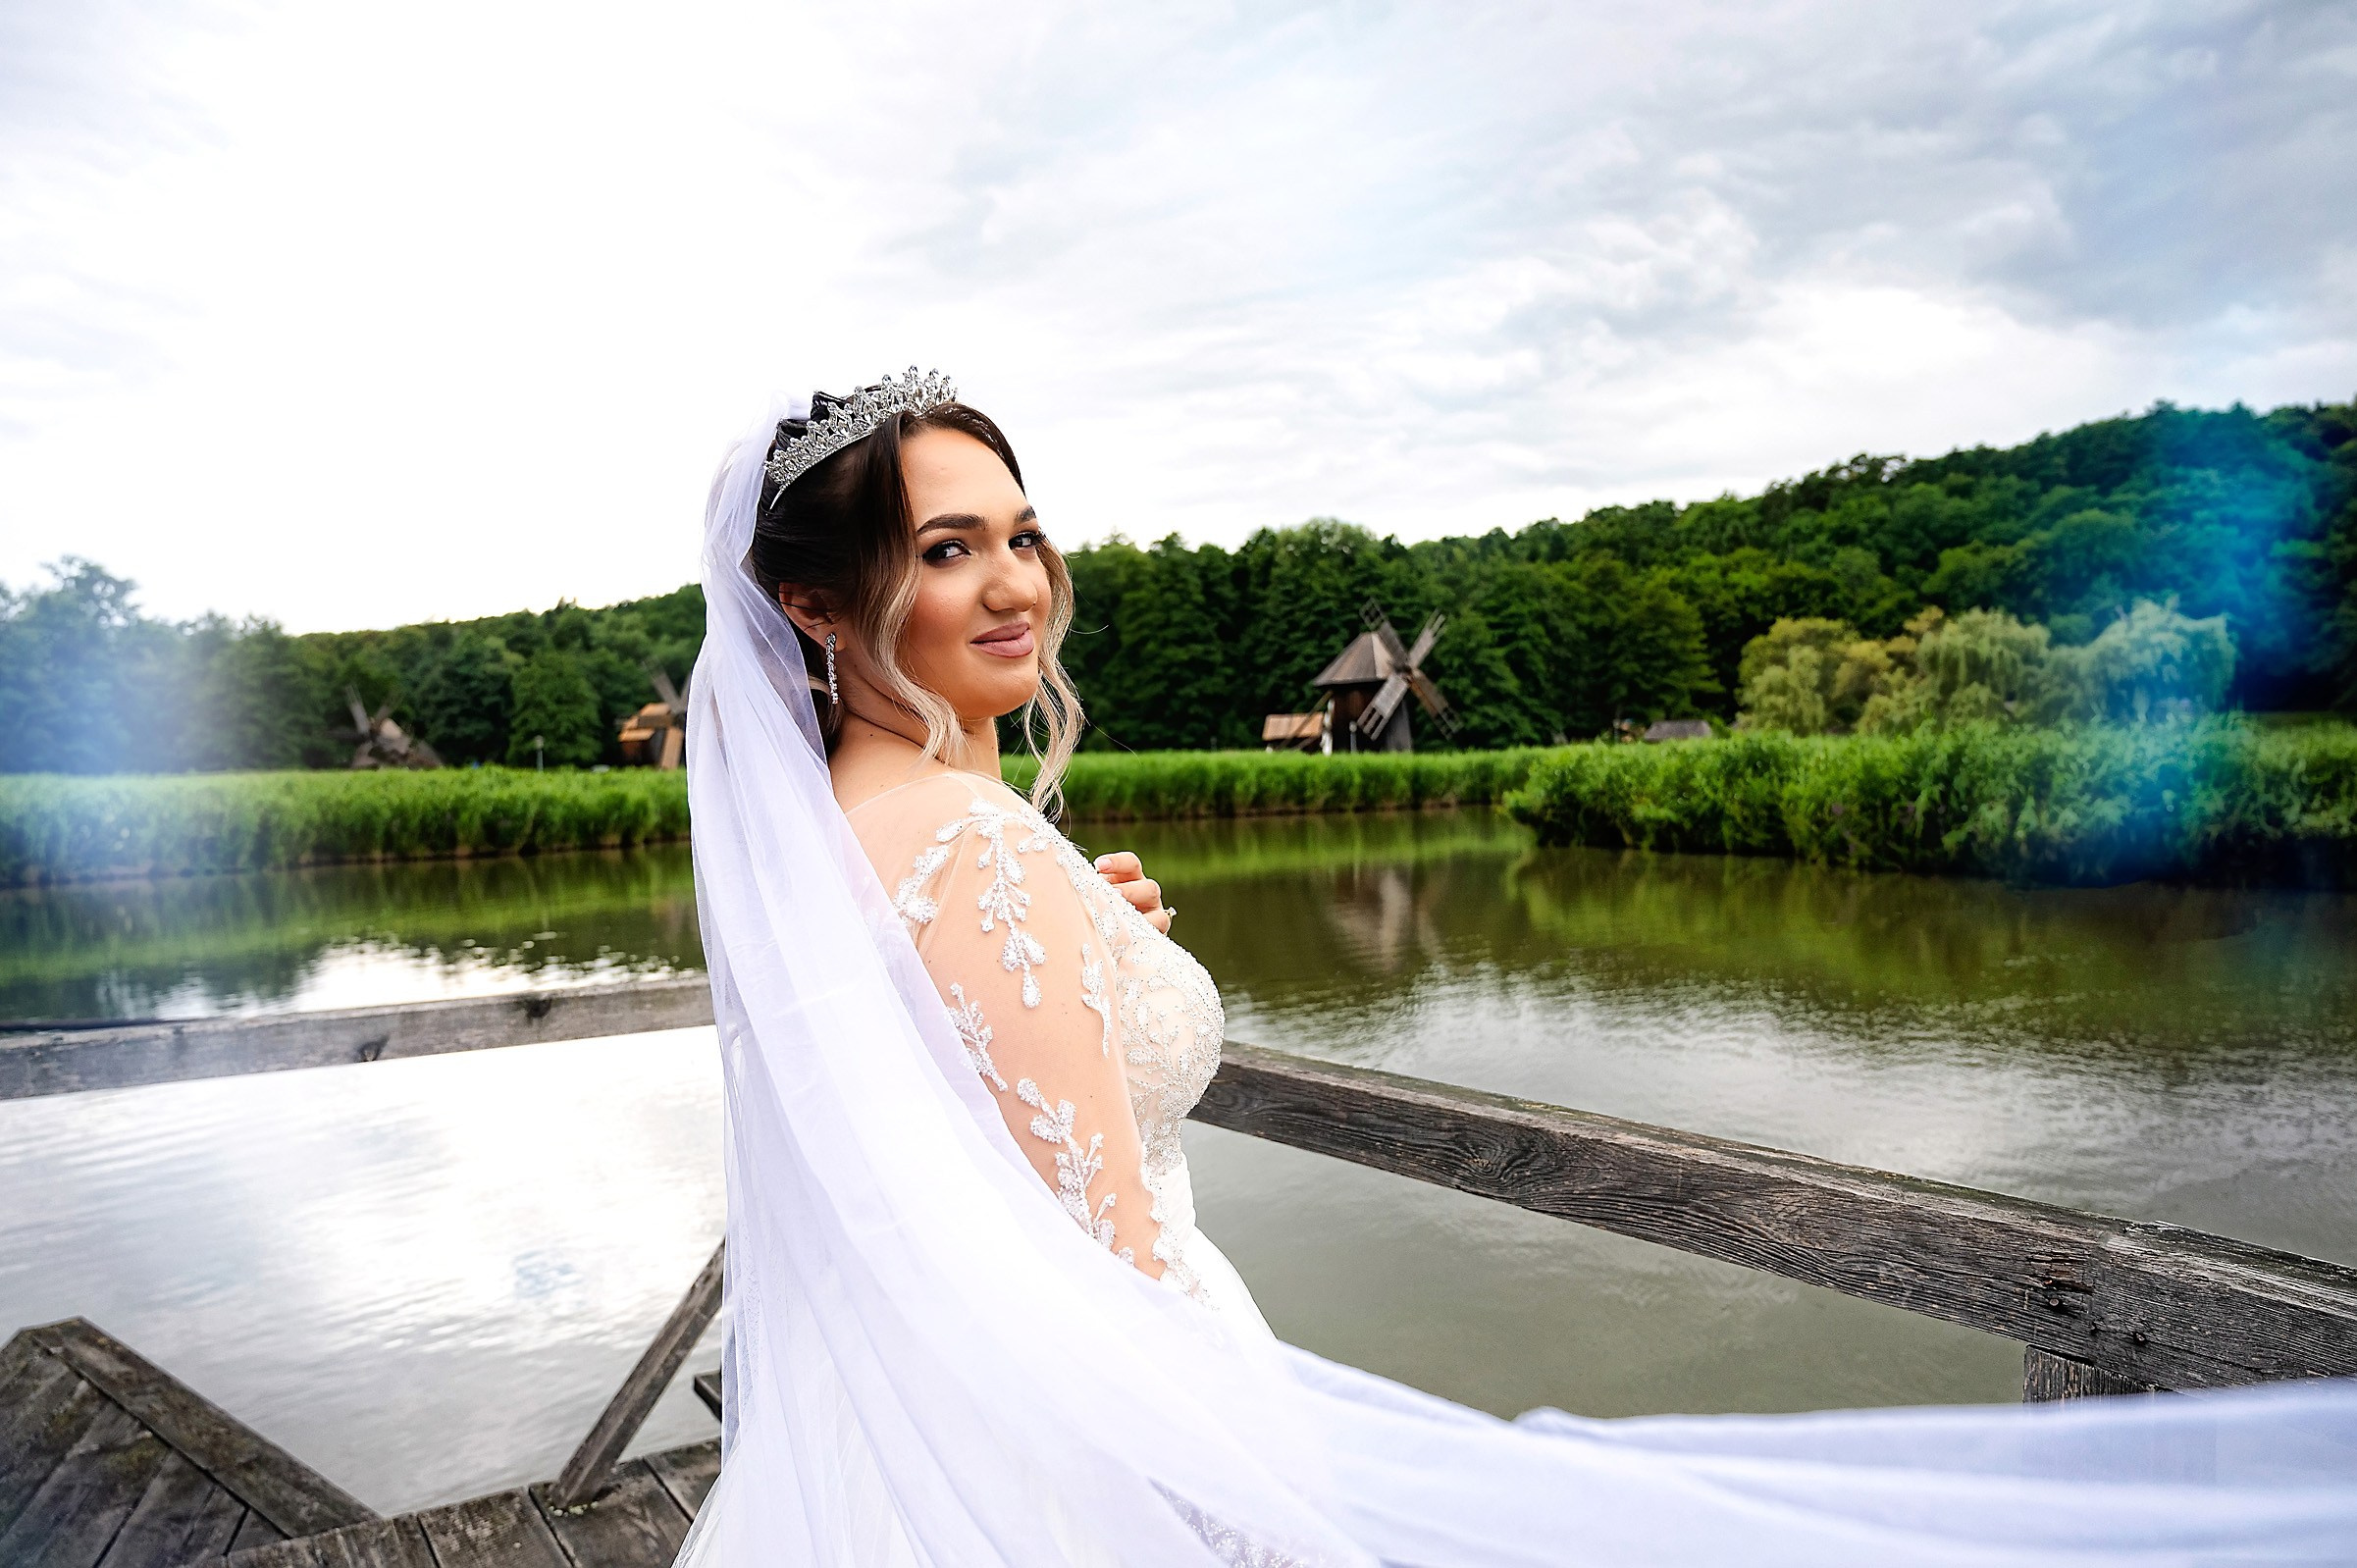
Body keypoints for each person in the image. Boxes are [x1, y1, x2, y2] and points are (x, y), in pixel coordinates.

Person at [676, 372, 2355, 1567]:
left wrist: (1084, 930)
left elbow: (936, 1062)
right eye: (950, 547)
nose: (1017, 581)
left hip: (928, 1401)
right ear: (818, 605)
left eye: (1022, 535)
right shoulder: (971, 846)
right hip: (1091, 1425)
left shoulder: (840, 834)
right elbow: (1111, 1256)